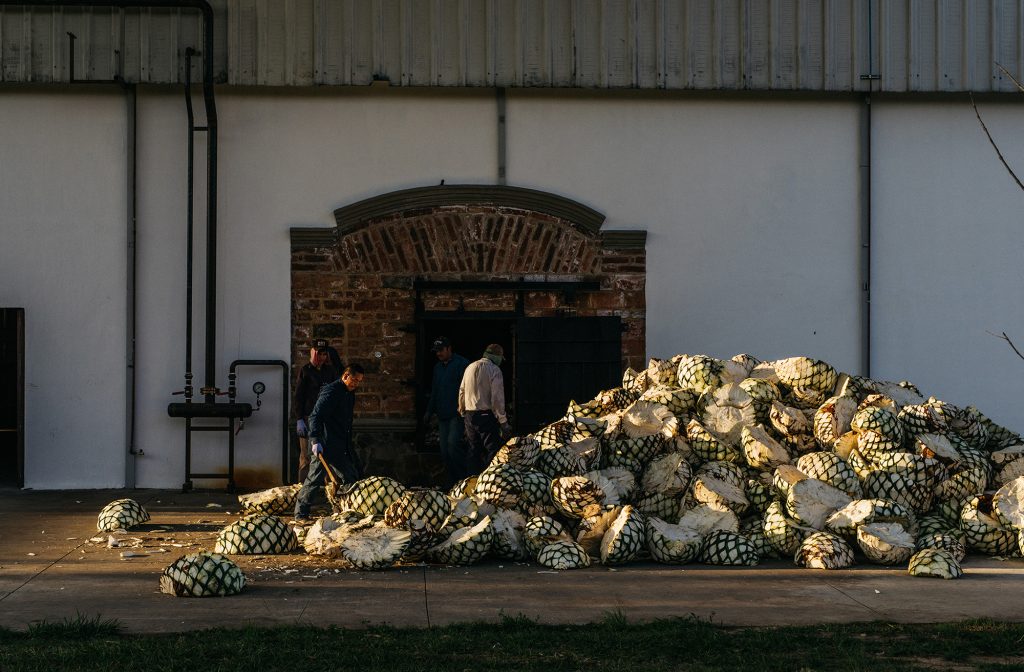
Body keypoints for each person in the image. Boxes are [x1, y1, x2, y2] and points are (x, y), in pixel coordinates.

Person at [293, 363, 366, 522]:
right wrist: (315, 440)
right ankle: (300, 514)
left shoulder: (349, 393)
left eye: (359, 381)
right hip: (325, 445)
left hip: (339, 444)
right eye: (354, 380)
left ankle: (343, 510)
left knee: (350, 478)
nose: (356, 384)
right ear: (345, 376)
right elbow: (315, 416)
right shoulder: (332, 391)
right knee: (314, 480)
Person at [423, 336, 470, 487]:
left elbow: (468, 390)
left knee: (452, 445)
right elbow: (435, 391)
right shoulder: (437, 368)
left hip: (457, 414)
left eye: (441, 350)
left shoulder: (462, 364)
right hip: (443, 414)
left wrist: (466, 410)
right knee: (444, 450)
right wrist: (429, 412)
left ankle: (465, 479)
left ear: (449, 348)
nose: (438, 354)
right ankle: (453, 482)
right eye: (436, 351)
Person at [458, 343, 511, 474]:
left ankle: (470, 482)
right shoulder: (494, 370)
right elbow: (497, 399)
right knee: (492, 450)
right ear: (497, 357)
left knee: (473, 450)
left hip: (469, 416)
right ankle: (488, 481)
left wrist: (462, 411)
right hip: (486, 415)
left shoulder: (469, 367)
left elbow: (462, 391)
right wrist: (503, 423)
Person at [292, 338, 339, 482]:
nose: (321, 357)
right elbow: (299, 396)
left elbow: (335, 394)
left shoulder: (330, 371)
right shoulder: (306, 371)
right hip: (308, 417)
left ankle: (328, 489)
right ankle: (302, 488)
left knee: (327, 454)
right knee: (306, 455)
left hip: (326, 418)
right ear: (313, 353)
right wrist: (299, 418)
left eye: (324, 354)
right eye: (318, 354)